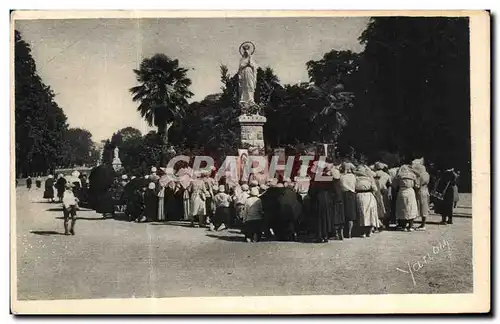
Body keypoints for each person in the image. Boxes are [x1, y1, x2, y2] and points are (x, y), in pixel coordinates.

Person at [354, 165, 379, 238]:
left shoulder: (356, 179)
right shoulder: (369, 179)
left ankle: (362, 231)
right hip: (369, 196)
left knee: (361, 213)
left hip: (359, 196)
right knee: (371, 213)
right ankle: (370, 231)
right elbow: (375, 189)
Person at [394, 165, 419, 231]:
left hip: (401, 192)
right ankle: (410, 226)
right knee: (411, 208)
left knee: (402, 209)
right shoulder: (412, 175)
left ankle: (402, 226)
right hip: (410, 192)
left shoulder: (399, 176)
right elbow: (417, 185)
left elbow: (394, 185)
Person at [340, 162, 357, 238]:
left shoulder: (341, 176)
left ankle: (342, 233)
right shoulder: (353, 177)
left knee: (342, 214)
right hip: (351, 194)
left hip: (343, 194)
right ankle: (350, 232)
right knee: (351, 214)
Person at [412, 163, 430, 230]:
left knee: (419, 206)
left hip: (420, 191)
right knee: (425, 207)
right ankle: (423, 224)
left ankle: (420, 225)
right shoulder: (427, 174)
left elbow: (417, 185)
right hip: (426, 190)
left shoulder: (420, 175)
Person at [330, 167, 345, 240]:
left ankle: (336, 234)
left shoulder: (332, 183)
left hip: (335, 202)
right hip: (341, 201)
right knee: (341, 218)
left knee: (335, 218)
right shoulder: (339, 182)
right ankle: (341, 233)